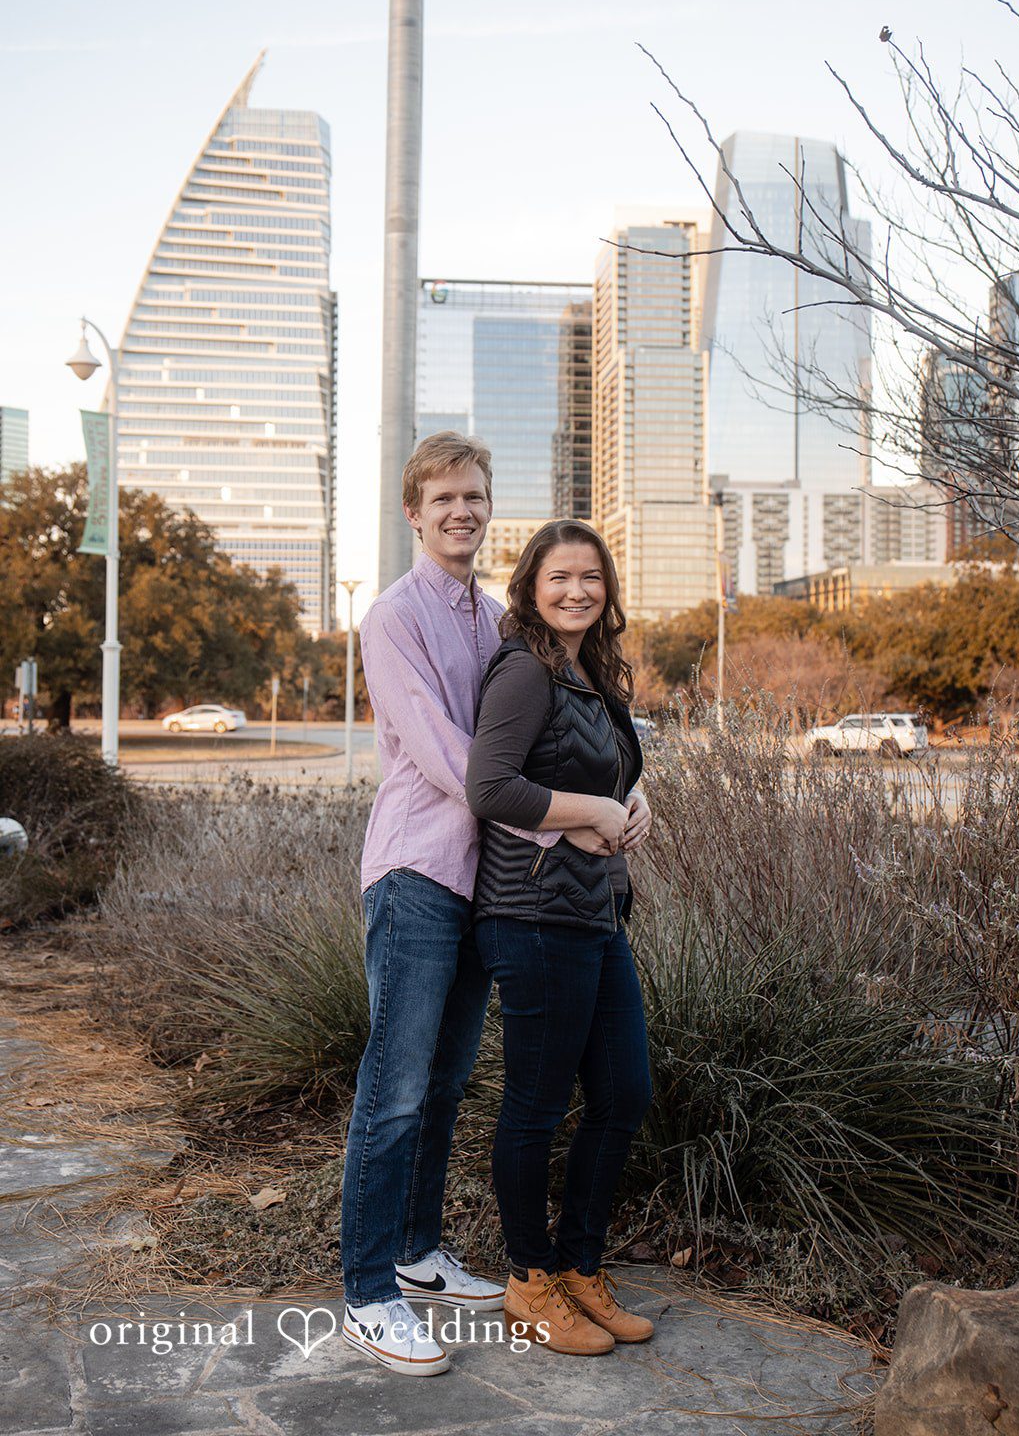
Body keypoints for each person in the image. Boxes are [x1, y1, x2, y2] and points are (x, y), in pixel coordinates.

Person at [339, 435, 628, 1376]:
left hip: (486, 883)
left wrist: (615, 789)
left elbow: (550, 731)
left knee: (449, 1080)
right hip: (420, 873)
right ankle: (369, 1291)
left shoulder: (492, 619)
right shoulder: (393, 617)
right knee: (395, 1087)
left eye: (474, 496)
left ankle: (419, 1252)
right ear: (414, 514)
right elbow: (450, 760)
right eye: (444, 499)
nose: (461, 511)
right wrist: (569, 824)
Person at [465, 519, 655, 1357]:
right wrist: (589, 811)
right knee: (536, 1109)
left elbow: (604, 778)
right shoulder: (523, 670)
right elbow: (490, 786)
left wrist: (634, 803)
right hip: (532, 916)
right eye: (559, 577)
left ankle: (580, 1266)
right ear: (531, 586)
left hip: (595, 910)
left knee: (623, 1096)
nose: (577, 591)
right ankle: (528, 1279)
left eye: (591, 577)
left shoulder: (590, 672)